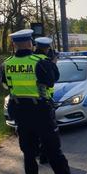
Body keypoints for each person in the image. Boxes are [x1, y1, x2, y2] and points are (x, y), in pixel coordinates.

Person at [0, 29, 76, 174]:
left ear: (14, 44)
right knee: (53, 150)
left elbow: (6, 85)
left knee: (28, 153)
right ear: (30, 43)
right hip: (41, 112)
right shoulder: (40, 61)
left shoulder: (6, 63)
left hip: (21, 113)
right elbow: (51, 81)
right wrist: (52, 64)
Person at [34, 37, 58, 165]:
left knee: (33, 133)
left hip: (22, 104)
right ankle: (44, 156)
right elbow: (52, 81)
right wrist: (53, 63)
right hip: (43, 102)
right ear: (47, 48)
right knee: (48, 133)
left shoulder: (17, 62)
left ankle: (36, 155)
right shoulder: (45, 62)